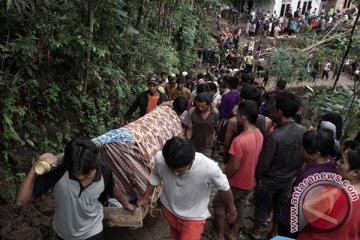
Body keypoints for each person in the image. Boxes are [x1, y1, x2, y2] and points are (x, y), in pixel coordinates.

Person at [16, 138, 135, 240]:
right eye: (76, 174)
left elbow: (112, 186)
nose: (81, 178)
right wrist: (35, 168)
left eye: (86, 174)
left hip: (93, 230)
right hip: (64, 233)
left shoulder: (104, 170)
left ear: (95, 165)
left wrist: (126, 204)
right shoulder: (59, 172)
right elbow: (21, 201)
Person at [137, 137, 237, 240]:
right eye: (171, 169)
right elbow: (155, 177)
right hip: (169, 211)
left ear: (192, 160)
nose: (175, 173)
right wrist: (145, 197)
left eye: (180, 171)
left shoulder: (209, 168)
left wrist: (232, 209)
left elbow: (224, 188)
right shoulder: (160, 159)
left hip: (193, 218)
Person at [249, 91, 307, 239]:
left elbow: (265, 162)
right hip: (288, 179)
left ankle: (255, 231)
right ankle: (274, 231)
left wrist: (258, 176)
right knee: (279, 207)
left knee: (262, 205)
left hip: (270, 179)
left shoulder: (274, 136)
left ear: (279, 111)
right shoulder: (304, 132)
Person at [212, 100, 264, 240]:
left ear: (244, 117)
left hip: (235, 182)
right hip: (249, 181)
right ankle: (233, 233)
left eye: (238, 115)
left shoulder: (239, 140)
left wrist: (223, 176)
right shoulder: (259, 134)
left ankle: (220, 234)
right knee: (240, 204)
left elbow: (234, 166)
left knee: (218, 203)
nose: (236, 117)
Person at [278, 129, 336, 238]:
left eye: (304, 147)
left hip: (291, 220)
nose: (301, 149)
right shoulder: (333, 167)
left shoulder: (307, 176)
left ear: (316, 154)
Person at [298, 140, 360, 240]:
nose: (338, 162)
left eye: (343, 161)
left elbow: (304, 217)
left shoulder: (331, 194)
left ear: (355, 172)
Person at [184, 92, 219, 158]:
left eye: (203, 106)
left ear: (209, 105)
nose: (200, 108)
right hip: (193, 144)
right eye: (198, 105)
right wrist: (188, 144)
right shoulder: (191, 111)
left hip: (207, 145)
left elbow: (214, 126)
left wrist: (214, 136)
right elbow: (189, 129)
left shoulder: (215, 113)